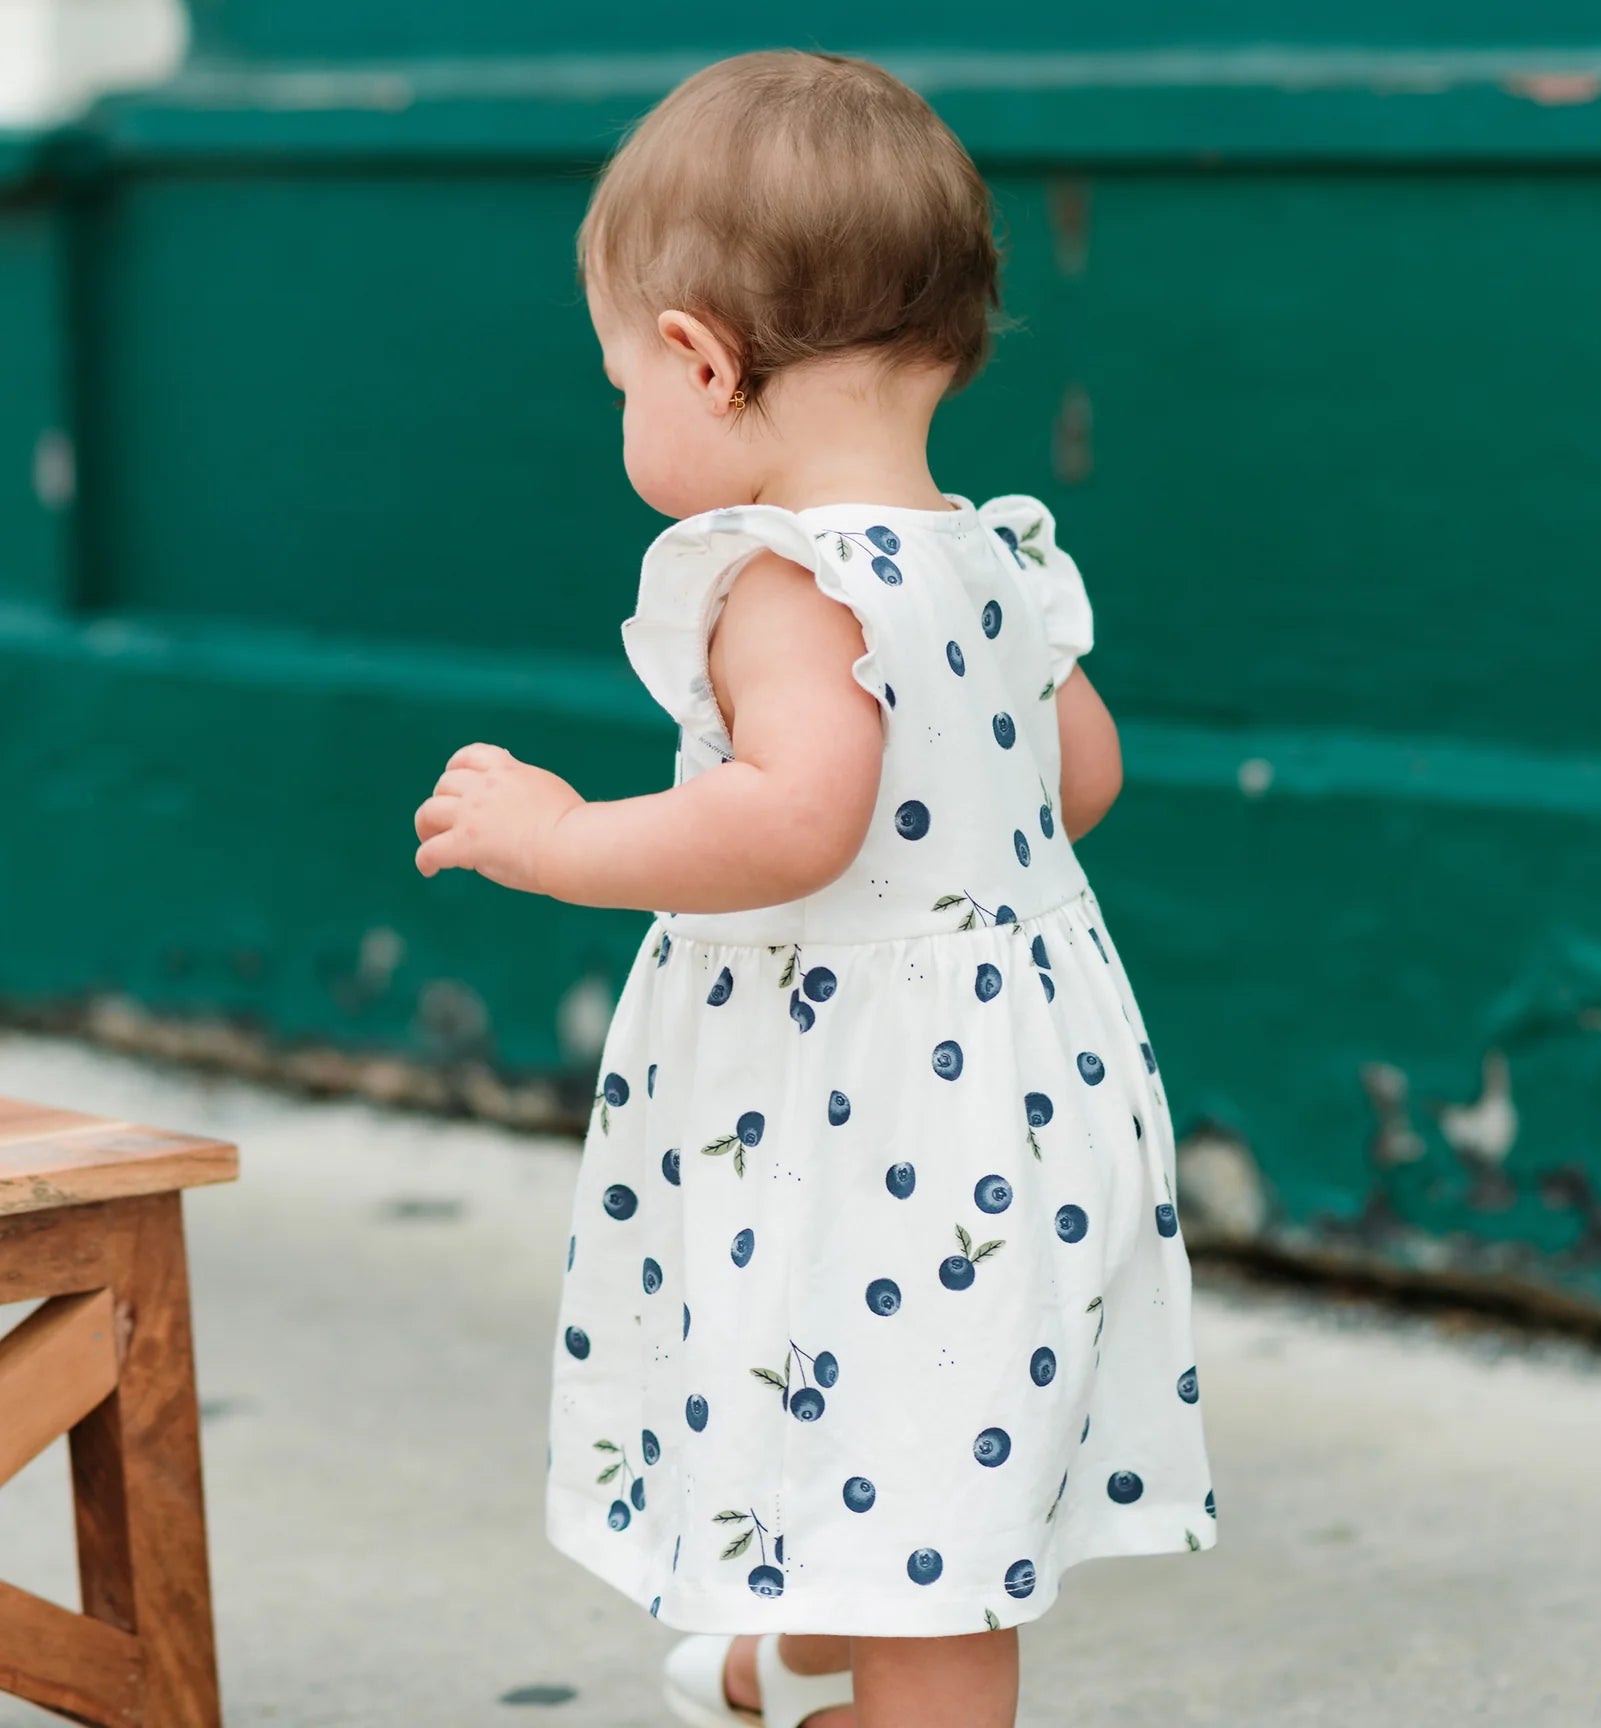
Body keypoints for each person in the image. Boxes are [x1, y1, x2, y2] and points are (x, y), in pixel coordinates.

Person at [412, 47, 1216, 1728]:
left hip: (869, 1118)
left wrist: (563, 840)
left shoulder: (784, 581)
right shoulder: (999, 555)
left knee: (884, 1463)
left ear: (699, 363)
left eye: (620, 376)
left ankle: (836, 1673)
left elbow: (796, 826)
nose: (627, 406)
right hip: (1022, 1092)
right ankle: (803, 1658)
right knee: (934, 1469)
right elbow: (1084, 779)